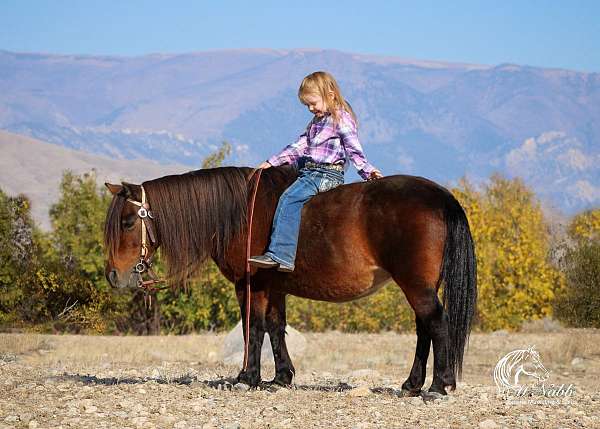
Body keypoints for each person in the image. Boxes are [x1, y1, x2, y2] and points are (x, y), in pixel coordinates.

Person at [248, 71, 383, 272]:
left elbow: (353, 149)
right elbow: (300, 146)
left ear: (330, 94)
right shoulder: (317, 122)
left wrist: (367, 172)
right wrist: (272, 162)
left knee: (289, 198)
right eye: (307, 105)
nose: (311, 109)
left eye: (313, 103)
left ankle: (281, 255)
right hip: (309, 170)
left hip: (325, 174)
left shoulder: (341, 119)